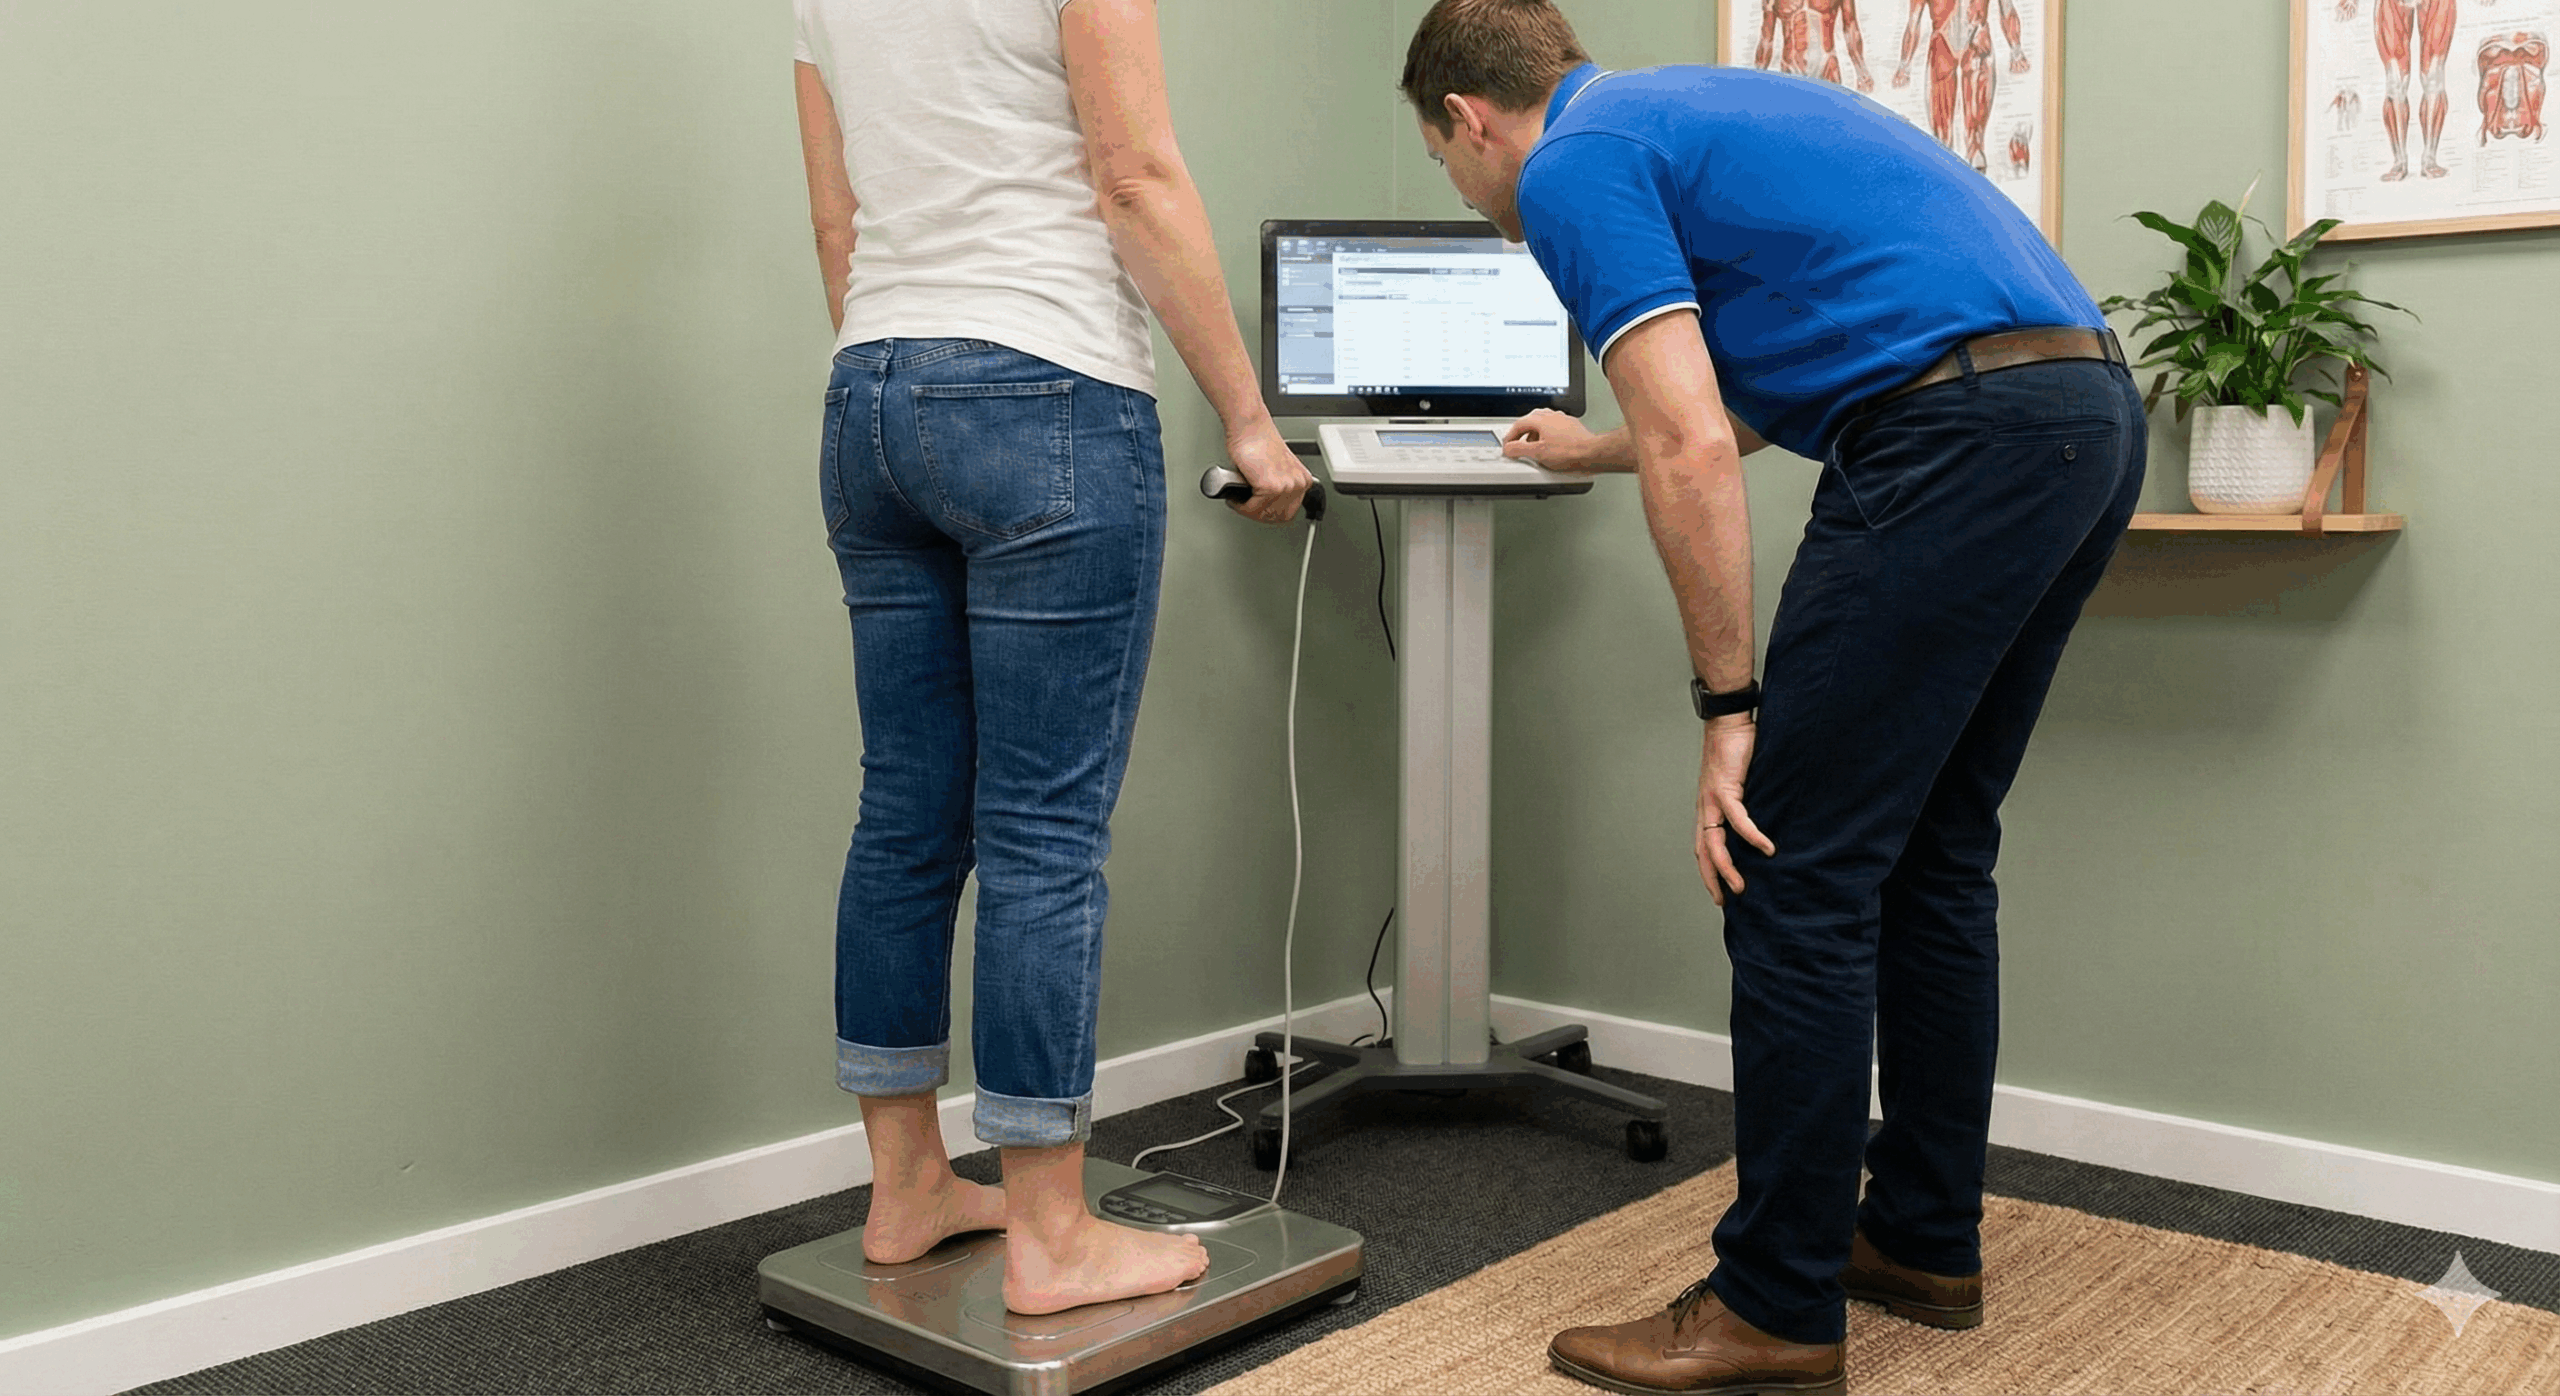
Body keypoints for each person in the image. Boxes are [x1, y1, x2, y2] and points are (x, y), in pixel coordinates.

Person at [1400, 2, 2146, 1392]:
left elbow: (1700, 444)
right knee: (1931, 855)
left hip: (1952, 436)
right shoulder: (1689, 113)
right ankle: (1921, 1238)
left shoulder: (1568, 165)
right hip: (2080, 413)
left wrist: (1728, 708)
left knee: (1787, 868)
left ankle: (1774, 1307)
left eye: (1444, 161)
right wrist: (1595, 452)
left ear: (1468, 119)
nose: (1466, 188)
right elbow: (1730, 409)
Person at [792, 0, 1312, 1316]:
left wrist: (906, 372)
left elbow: (838, 222)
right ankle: (1051, 1235)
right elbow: (1131, 175)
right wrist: (1250, 421)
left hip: (869, 394)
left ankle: (907, 1188)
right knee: (1042, 828)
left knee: (906, 811)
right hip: (1046, 383)